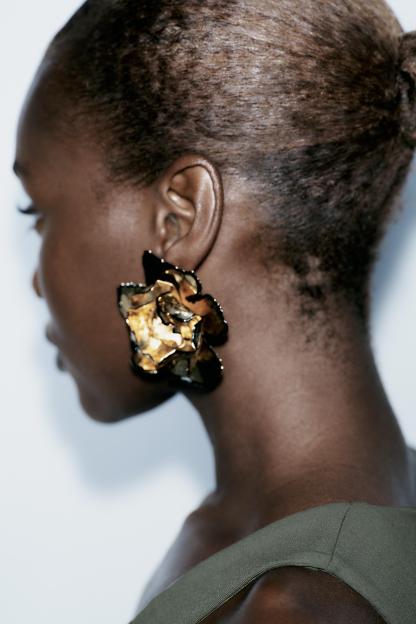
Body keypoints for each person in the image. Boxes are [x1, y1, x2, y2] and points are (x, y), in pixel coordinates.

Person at [14, 0, 416, 622]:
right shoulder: (259, 536)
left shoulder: (295, 607)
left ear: (179, 217)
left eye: (37, 213)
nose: (37, 281)